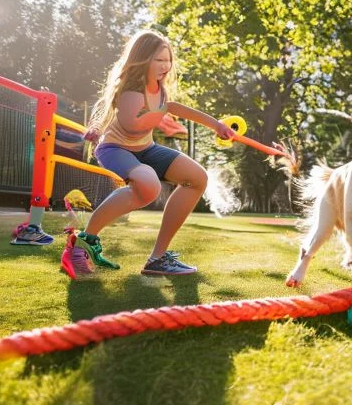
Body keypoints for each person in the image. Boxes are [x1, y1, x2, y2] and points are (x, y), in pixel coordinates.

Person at [66, 30, 235, 275]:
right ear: (143, 59)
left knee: (197, 178)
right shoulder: (131, 90)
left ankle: (157, 258)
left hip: (146, 149)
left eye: (168, 60)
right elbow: (132, 124)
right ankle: (85, 241)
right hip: (115, 148)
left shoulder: (159, 90)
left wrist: (216, 125)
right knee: (148, 185)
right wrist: (160, 116)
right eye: (159, 60)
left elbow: (174, 108)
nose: (166, 65)